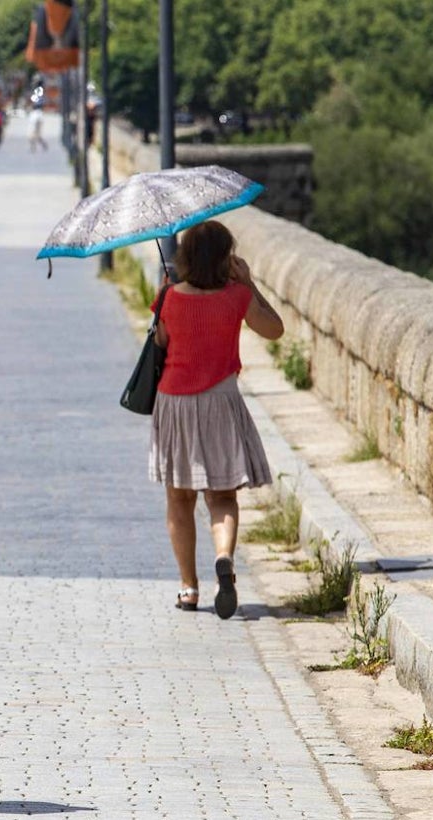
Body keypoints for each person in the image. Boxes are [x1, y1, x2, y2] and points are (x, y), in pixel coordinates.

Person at [150, 220, 284, 619]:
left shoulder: (169, 298)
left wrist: (162, 296)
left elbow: (159, 343)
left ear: (186, 257)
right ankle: (224, 557)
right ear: (226, 258)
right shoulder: (237, 297)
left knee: (179, 498)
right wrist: (251, 284)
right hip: (221, 402)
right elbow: (275, 330)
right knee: (222, 496)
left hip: (176, 402)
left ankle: (188, 588)